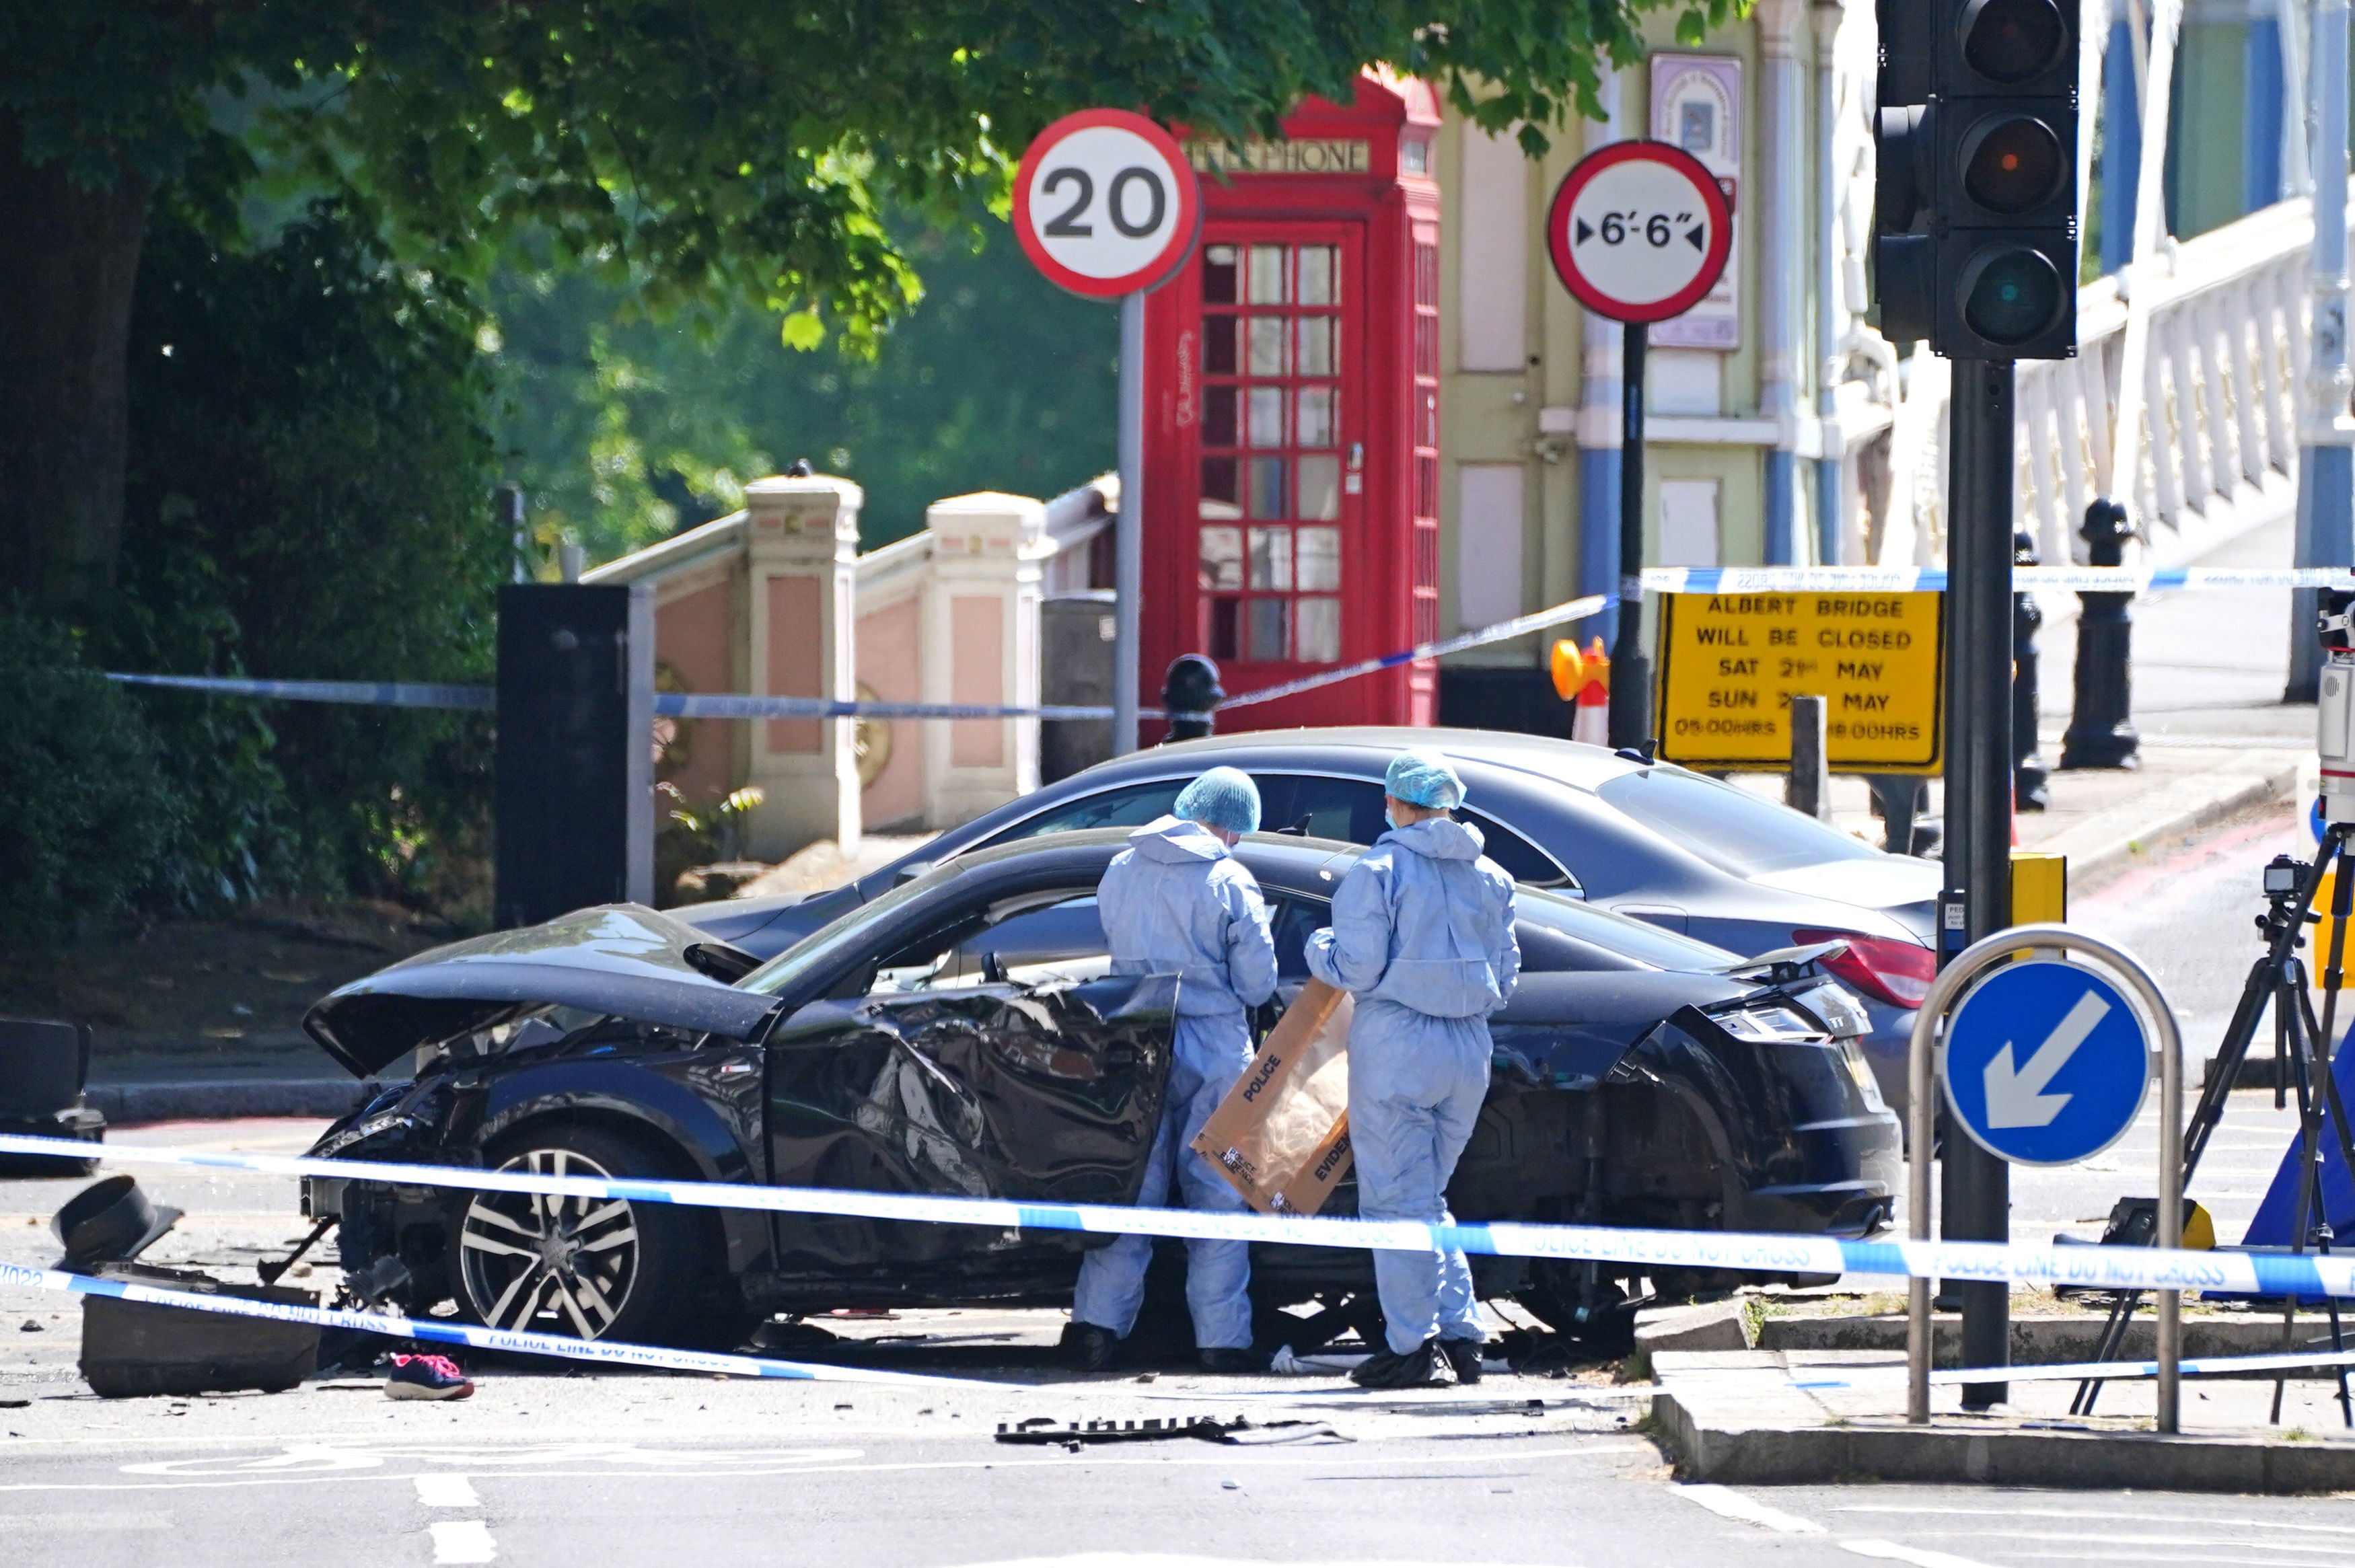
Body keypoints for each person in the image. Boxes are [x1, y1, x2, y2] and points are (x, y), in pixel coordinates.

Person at [1305, 749, 1519, 1388]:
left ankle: (1409, 1347)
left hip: (1398, 1045)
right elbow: (1506, 975)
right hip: (1468, 1048)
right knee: (1427, 1200)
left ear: (1397, 803)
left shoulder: (1378, 870)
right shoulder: (1493, 875)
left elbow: (1358, 967)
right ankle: (1461, 1336)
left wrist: (1318, 947)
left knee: (1397, 1206)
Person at [1066, 766, 1278, 1374]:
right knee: (1217, 1198)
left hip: (1135, 1039)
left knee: (1131, 1192)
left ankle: (1095, 1331)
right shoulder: (1229, 879)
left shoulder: (1122, 868)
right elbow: (1257, 982)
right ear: (1233, 826)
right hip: (1214, 1044)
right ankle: (1221, 1342)